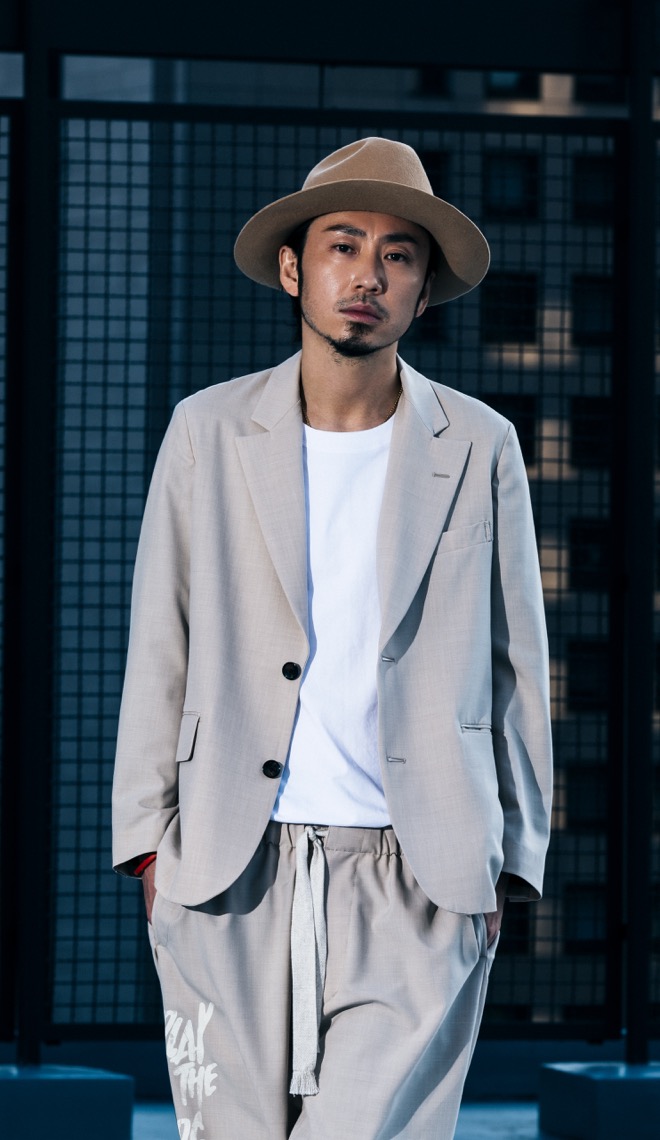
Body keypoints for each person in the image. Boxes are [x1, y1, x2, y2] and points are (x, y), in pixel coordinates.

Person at [112, 136, 553, 1140]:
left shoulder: (480, 444)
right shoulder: (208, 430)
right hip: (227, 866)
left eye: (398, 255)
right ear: (292, 268)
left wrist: (509, 859)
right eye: (343, 246)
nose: (367, 276)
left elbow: (519, 663)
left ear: (423, 290)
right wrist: (146, 845)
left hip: (422, 870)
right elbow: (160, 637)